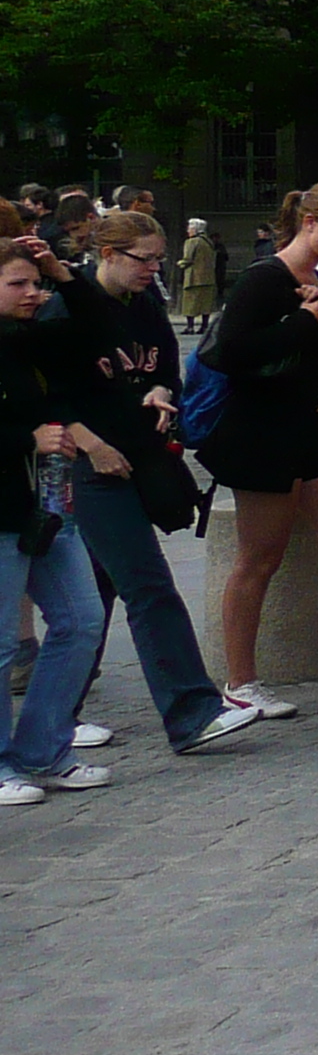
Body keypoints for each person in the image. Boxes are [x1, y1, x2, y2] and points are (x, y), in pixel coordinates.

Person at [18, 215, 259, 761]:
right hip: (85, 468)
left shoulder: (146, 305)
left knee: (95, 596)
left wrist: (156, 391)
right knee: (147, 585)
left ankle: (57, 714)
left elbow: (165, 370)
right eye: (143, 258)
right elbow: (47, 396)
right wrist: (90, 443)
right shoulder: (63, 309)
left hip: (132, 459)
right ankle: (191, 712)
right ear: (107, 252)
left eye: (158, 258)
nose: (154, 269)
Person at [203, 183, 318, 718]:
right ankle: (240, 680)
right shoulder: (265, 278)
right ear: (310, 222)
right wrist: (306, 322)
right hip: (262, 434)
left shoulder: (317, 278)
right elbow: (232, 351)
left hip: (315, 429)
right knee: (259, 558)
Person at [0, 241, 112, 802]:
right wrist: (27, 438)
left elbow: (96, 327)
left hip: (44, 506)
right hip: (2, 510)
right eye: (17, 285)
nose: (31, 294)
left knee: (81, 623)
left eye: (33, 284)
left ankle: (44, 748)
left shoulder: (30, 339)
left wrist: (61, 274)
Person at [175, 218, 219, 332]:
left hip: (193, 278)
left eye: (189, 228)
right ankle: (204, 326)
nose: (188, 230)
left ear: (195, 229)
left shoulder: (192, 242)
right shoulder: (209, 242)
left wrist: (180, 263)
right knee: (205, 304)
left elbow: (188, 259)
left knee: (190, 303)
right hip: (208, 278)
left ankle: (190, 327)